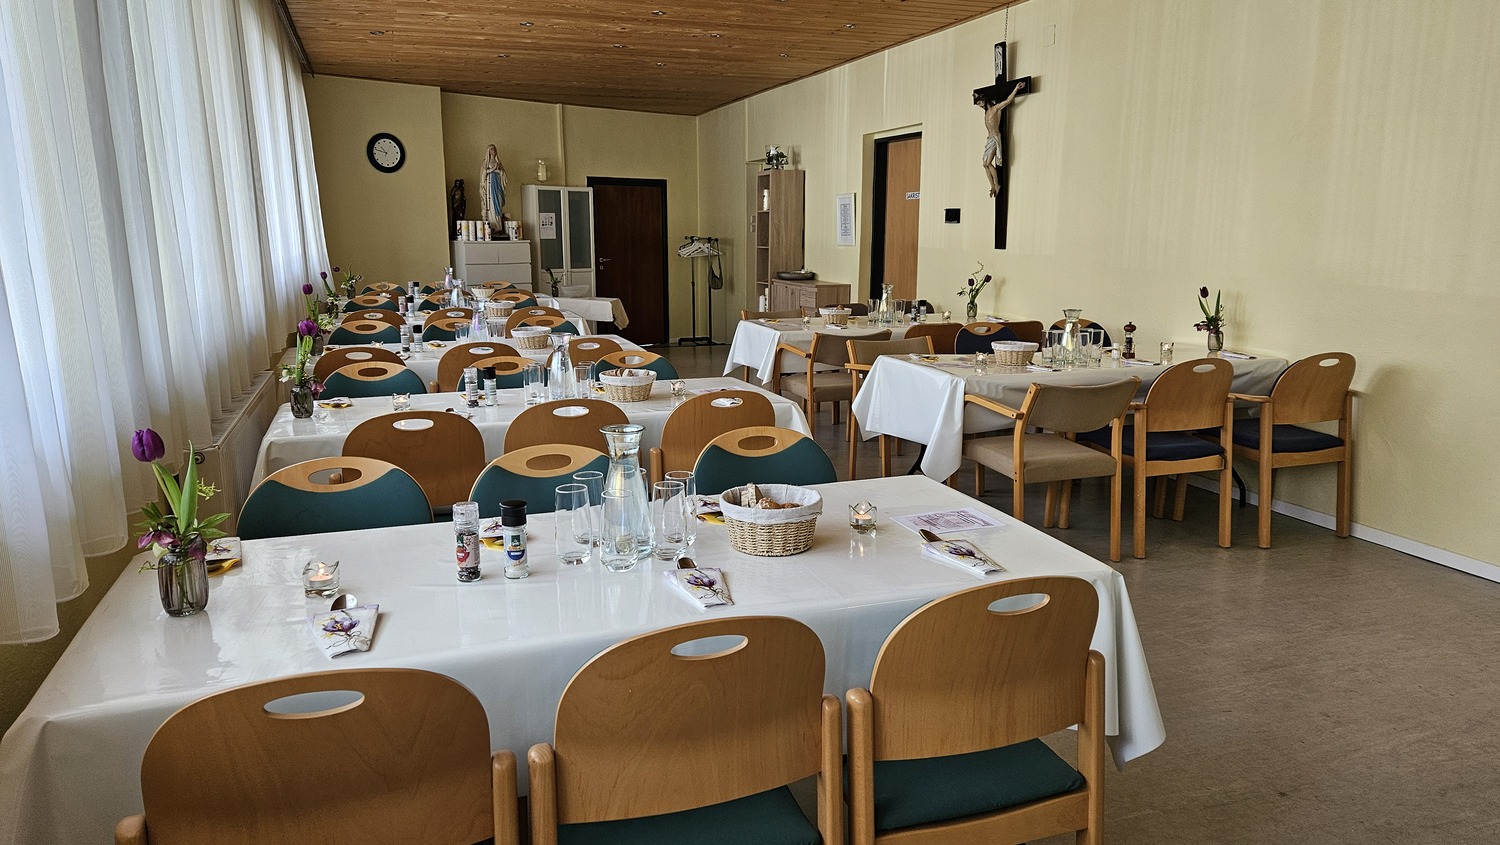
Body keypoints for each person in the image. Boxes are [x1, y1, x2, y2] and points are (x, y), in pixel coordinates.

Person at [977, 80, 1025, 198]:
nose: (980, 106)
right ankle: (992, 186)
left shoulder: (996, 109)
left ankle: (997, 184)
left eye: (980, 103)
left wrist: (1016, 89)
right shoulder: (986, 113)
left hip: (995, 138)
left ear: (985, 100)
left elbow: (1008, 101)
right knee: (984, 164)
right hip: (989, 139)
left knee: (989, 162)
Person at [480, 144, 507, 238]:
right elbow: (484, 174)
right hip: (490, 188)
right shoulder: (486, 162)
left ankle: (499, 227)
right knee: (491, 205)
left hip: (498, 186)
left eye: (494, 149)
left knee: (498, 204)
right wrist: (493, 169)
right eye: (491, 149)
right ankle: (492, 227)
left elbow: (503, 174)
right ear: (488, 151)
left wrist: (497, 170)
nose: (493, 150)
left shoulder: (498, 162)